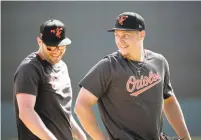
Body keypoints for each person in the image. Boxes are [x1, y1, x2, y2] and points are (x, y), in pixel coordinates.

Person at [74, 12, 191, 140]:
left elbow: (169, 100)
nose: (120, 40)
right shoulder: (109, 66)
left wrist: (186, 138)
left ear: (141, 34)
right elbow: (81, 105)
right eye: (116, 35)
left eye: (126, 35)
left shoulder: (159, 62)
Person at [13, 19, 86, 140]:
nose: (57, 52)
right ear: (39, 41)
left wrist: (79, 134)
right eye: (51, 47)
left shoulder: (62, 66)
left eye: (61, 47)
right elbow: (26, 112)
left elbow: (62, 111)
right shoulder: (29, 68)